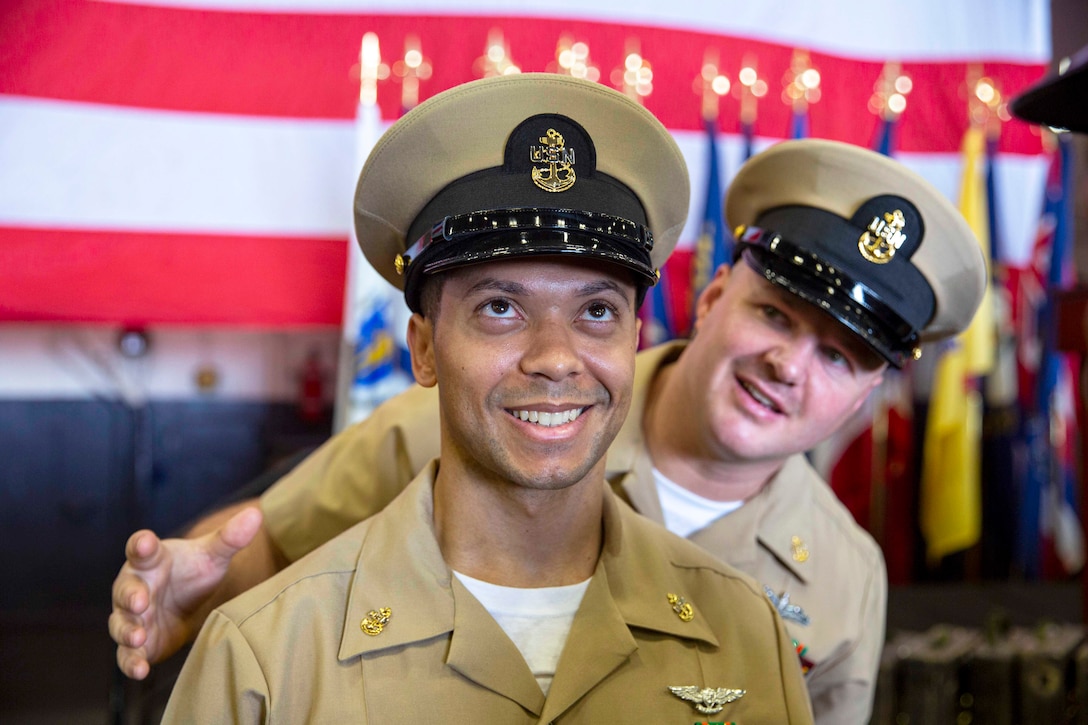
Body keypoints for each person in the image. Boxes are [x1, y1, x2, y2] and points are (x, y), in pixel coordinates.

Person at [113, 118, 988, 723]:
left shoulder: (843, 577)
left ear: (867, 392)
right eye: (776, 317)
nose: (788, 366)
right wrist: (193, 593)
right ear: (714, 296)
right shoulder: (477, 421)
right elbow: (270, 547)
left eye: (839, 356)